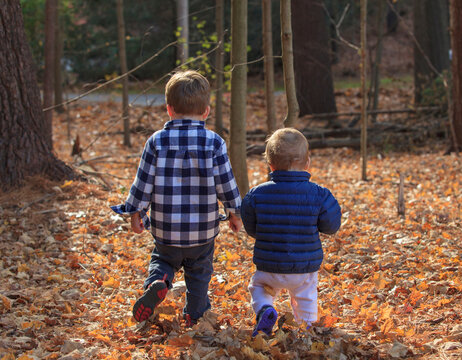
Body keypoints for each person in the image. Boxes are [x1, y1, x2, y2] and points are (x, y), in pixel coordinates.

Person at [111, 70, 242, 325]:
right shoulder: (214, 143)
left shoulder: (156, 142)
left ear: (169, 109)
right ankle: (195, 313)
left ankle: (159, 281)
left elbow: (143, 182)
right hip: (202, 232)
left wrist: (135, 213)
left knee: (162, 259)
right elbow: (226, 184)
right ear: (206, 111)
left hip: (166, 229)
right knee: (199, 272)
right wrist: (234, 212)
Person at [241, 128, 341, 336]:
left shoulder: (256, 195)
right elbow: (331, 226)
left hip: (269, 265)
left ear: (270, 164)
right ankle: (306, 327)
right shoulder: (319, 194)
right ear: (307, 163)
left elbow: (251, 228)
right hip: (304, 266)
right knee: (306, 294)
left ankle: (265, 309)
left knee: (258, 287)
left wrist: (266, 234)